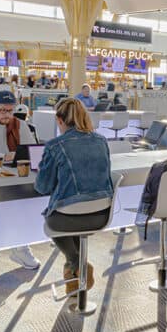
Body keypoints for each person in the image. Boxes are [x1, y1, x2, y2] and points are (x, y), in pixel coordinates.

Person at [32, 97, 114, 287]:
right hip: (101, 216)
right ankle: (75, 274)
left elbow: (42, 187)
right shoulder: (101, 141)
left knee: (56, 219)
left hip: (66, 219)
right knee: (73, 215)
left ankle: (77, 263)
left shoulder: (55, 145)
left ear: (59, 121)